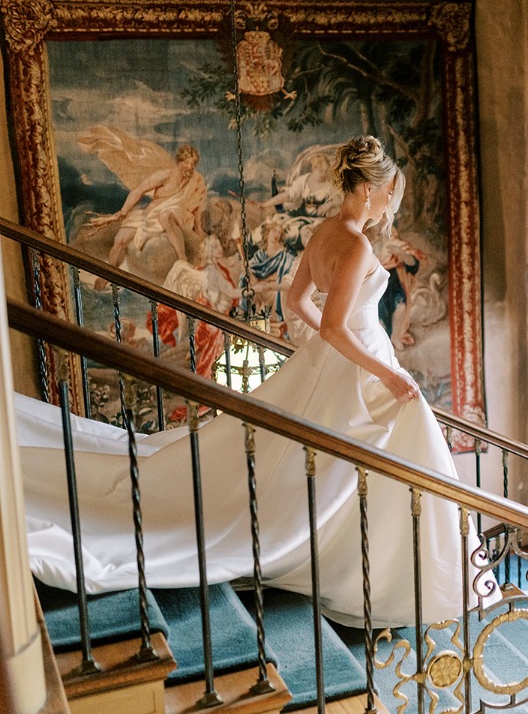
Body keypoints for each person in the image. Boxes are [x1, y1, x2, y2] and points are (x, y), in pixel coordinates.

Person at [17, 136, 497, 627]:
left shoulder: (327, 230)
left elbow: (298, 304)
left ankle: (396, 571)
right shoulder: (353, 243)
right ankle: (409, 579)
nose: (389, 206)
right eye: (389, 194)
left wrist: (328, 351)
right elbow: (332, 325)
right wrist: (386, 374)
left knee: (360, 463)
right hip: (361, 363)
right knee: (383, 449)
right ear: (371, 190)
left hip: (339, 361)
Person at [88, 144, 208, 269]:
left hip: (179, 214)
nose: (190, 167)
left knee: (165, 215)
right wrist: (123, 211)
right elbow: (138, 191)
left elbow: (198, 205)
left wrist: (199, 228)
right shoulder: (165, 175)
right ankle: (108, 272)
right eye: (187, 162)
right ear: (179, 161)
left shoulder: (196, 181)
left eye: (192, 164)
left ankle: (182, 258)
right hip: (151, 214)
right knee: (120, 239)